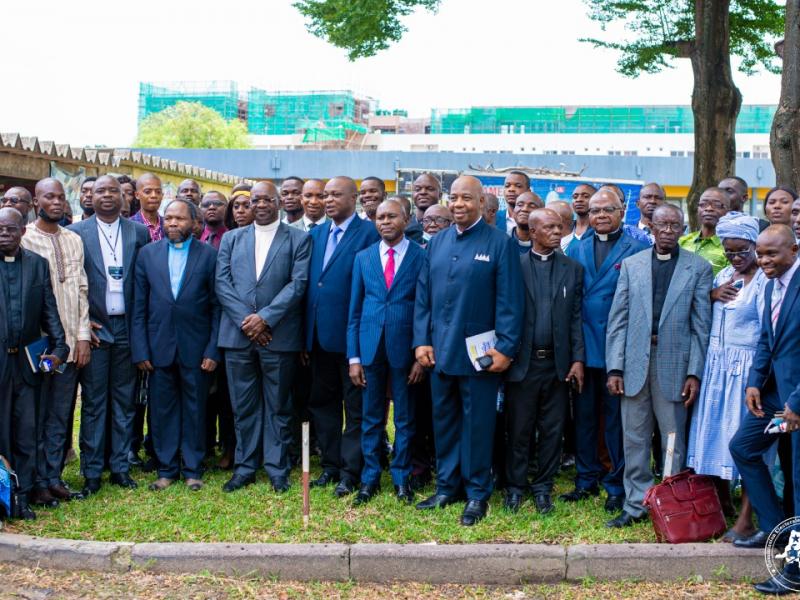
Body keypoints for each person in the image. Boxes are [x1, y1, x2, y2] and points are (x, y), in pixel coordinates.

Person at [413, 175, 523, 526]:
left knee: (477, 426)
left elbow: (511, 301)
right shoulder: (437, 242)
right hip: (440, 353)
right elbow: (423, 298)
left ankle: (477, 493)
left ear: (480, 202)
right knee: (443, 422)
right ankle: (447, 487)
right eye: (454, 198)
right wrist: (422, 341)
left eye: (466, 199)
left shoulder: (498, 243)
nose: (459, 204)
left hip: (480, 357)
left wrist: (505, 348)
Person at [605, 203, 713, 527]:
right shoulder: (632, 265)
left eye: (674, 226)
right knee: (634, 437)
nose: (668, 231)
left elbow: (700, 327)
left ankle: (671, 504)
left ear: (682, 229)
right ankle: (635, 504)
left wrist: (694, 372)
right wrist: (615, 367)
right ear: (650, 226)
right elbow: (618, 321)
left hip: (675, 367)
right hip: (635, 365)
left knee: (672, 440)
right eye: (662, 225)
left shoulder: (699, 268)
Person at [216, 181, 311, 493]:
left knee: (278, 406)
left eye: (266, 199)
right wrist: (248, 322)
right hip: (238, 335)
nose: (259, 205)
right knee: (243, 406)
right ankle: (245, 467)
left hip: (278, 336)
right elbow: (223, 283)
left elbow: (298, 284)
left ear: (278, 203)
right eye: (254, 200)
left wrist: (265, 318)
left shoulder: (299, 239)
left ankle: (277, 467)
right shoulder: (231, 238)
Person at [562, 189, 648, 513]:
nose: (599, 215)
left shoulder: (637, 249)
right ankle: (586, 479)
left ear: (621, 211)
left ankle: (616, 483)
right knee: (584, 418)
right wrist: (576, 355)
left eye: (607, 209)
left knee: (615, 421)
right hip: (585, 348)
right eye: (595, 210)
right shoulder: (576, 247)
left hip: (619, 350)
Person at [68, 175, 150, 496]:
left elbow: (142, 284)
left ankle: (119, 467)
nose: (106, 196)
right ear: (89, 196)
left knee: (124, 402)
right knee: (93, 402)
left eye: (112, 191)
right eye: (99, 190)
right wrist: (83, 324)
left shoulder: (139, 232)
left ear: (123, 197)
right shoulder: (77, 233)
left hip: (127, 328)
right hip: (97, 328)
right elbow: (73, 286)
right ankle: (91, 472)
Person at [729, 225, 800, 594]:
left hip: (798, 404)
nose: (764, 261)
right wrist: (755, 382)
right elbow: (766, 340)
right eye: (760, 253)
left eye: (772, 254)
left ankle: (795, 569)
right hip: (773, 400)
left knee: (799, 481)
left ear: (793, 250)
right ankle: (780, 530)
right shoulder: (771, 284)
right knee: (743, 447)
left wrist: (796, 403)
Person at [686, 213, 765, 541]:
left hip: (745, 374)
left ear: (755, 247)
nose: (735, 257)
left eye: (741, 251)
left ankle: (747, 518)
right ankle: (723, 509)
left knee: (745, 446)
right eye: (729, 250)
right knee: (714, 439)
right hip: (715, 369)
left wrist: (757, 379)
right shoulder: (722, 274)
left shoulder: (766, 281)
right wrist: (710, 294)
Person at [132, 199, 220, 492]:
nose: (172, 223)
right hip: (158, 350)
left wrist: (212, 349)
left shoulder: (208, 255)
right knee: (162, 411)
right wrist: (141, 350)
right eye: (168, 218)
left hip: (196, 350)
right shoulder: (147, 255)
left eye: (179, 219)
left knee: (196, 410)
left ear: (194, 223)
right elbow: (139, 307)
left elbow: (216, 307)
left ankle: (193, 469)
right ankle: (166, 468)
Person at [503, 208, 584, 514]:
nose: (557, 231)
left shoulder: (573, 269)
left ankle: (543, 487)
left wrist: (577, 359)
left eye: (559, 227)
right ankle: (515, 486)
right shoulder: (514, 266)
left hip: (557, 366)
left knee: (553, 430)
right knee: (519, 429)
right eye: (549, 227)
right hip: (522, 365)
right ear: (532, 232)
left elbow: (576, 317)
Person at [347, 199, 426, 505]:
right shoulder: (363, 258)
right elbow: (354, 312)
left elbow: (424, 308)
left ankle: (401, 478)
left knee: (405, 419)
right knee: (371, 417)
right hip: (369, 348)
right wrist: (354, 358)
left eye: (392, 216)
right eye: (380, 217)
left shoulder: (420, 257)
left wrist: (420, 352)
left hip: (405, 350)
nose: (385, 222)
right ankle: (369, 479)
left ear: (405, 220)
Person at [306, 176, 381, 497]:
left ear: (354, 198)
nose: (329, 200)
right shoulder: (316, 234)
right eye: (326, 195)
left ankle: (351, 472)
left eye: (336, 194)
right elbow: (312, 286)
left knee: (355, 409)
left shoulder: (369, 234)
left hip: (353, 341)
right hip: (318, 339)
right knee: (323, 405)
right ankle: (331, 465)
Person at [21, 179, 91, 507]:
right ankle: (33, 480)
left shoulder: (73, 239)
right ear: (37, 202)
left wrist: (82, 337)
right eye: (50, 196)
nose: (58, 202)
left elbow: (81, 291)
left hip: (69, 346)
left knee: (61, 414)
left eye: (62, 196)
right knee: (36, 413)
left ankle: (53, 477)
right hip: (38, 348)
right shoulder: (24, 239)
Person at [0, 207, 68, 520]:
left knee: (27, 433)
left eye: (10, 229)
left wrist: (59, 348)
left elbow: (49, 312)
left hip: (26, 366)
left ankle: (23, 497)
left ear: (23, 232)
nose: (4, 234)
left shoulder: (37, 266)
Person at [679, 187, 730, 275]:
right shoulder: (682, 241)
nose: (709, 208)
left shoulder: (730, 247)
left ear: (728, 211)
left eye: (716, 205)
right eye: (703, 204)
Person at [130, 173, 164, 243]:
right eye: (148, 192)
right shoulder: (129, 226)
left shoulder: (168, 225)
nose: (154, 195)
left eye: (158, 192)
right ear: (137, 195)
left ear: (162, 195)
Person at [562, 184, 596, 252]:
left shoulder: (598, 231)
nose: (579, 200)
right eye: (575, 197)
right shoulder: (565, 229)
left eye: (586, 196)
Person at [496, 171, 531, 235]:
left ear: (528, 191)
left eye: (518, 186)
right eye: (507, 186)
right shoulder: (493, 218)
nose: (511, 189)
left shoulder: (535, 220)